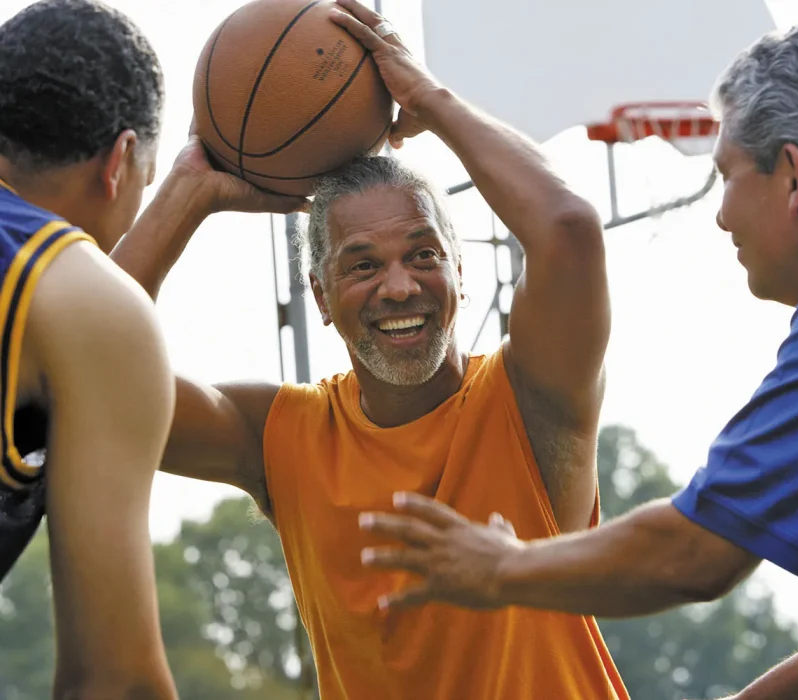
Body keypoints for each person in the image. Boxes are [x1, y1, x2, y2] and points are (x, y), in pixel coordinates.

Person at [356, 21, 798, 700]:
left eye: (727, 175)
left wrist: (500, 569)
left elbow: (697, 553)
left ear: (792, 175)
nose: (722, 216)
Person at [111, 0, 631, 697]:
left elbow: (568, 230)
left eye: (423, 254)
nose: (398, 286)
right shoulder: (283, 437)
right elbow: (76, 369)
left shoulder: (532, 396)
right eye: (361, 265)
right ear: (321, 297)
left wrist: (427, 97)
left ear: (458, 273)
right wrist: (188, 189)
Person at [0, 0, 301, 696]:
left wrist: (185, 192)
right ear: (121, 161)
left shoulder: (54, 301)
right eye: (145, 175)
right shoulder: (76, 301)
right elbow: (115, 684)